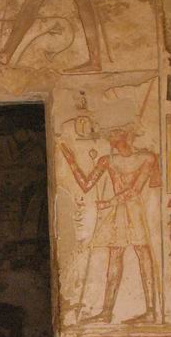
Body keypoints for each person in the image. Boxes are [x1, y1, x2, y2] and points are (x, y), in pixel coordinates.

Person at [60, 122, 160, 323]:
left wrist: (108, 203)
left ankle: (150, 311)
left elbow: (135, 191)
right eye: (110, 134)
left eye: (115, 132)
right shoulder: (107, 160)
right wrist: (71, 162)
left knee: (144, 255)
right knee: (115, 257)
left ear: (127, 134)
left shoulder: (147, 157)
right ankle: (106, 312)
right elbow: (86, 184)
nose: (111, 137)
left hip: (134, 211)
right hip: (119, 214)